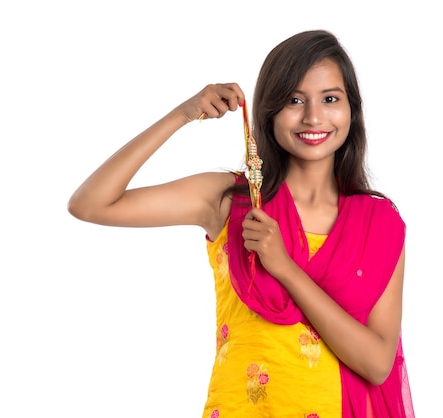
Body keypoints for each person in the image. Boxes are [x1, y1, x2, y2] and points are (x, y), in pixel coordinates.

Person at [68, 29, 414, 418]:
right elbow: (91, 203)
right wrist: (182, 114)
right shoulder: (229, 201)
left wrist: (283, 267)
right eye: (294, 100)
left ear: (352, 109)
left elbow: (377, 363)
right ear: (269, 111)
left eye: (330, 99)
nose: (313, 117)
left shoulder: (378, 223)